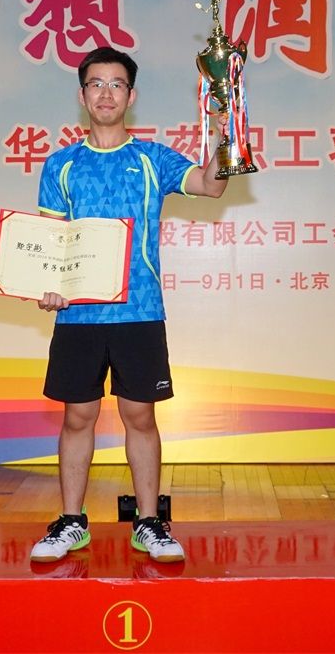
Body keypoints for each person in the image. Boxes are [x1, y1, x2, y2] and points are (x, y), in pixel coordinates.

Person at [28, 46, 229, 564]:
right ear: (82, 95)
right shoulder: (61, 165)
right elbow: (50, 242)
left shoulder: (152, 158)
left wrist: (222, 130)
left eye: (116, 84)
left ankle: (148, 522)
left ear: (131, 96)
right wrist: (47, 284)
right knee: (78, 416)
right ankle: (72, 521)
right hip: (79, 314)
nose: (106, 93)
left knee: (140, 416)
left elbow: (210, 185)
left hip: (139, 312)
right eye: (96, 84)